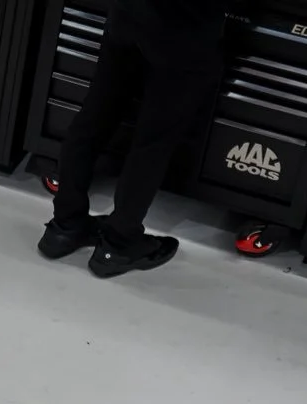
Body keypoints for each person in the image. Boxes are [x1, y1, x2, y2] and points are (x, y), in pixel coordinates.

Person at [38, 0, 226, 278]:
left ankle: (64, 226)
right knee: (153, 141)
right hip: (183, 31)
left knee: (94, 118)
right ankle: (118, 244)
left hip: (128, 15)